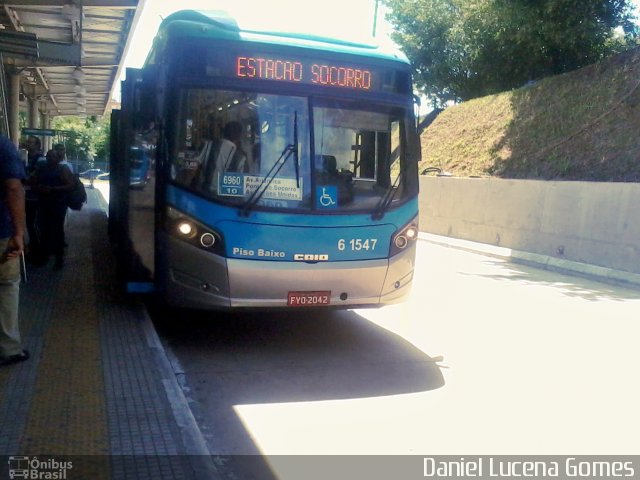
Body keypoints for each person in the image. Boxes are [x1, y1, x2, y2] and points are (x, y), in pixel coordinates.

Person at [0, 134, 29, 366]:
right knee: (6, 286)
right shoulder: (2, 145)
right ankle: (9, 348)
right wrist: (19, 233)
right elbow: (13, 188)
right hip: (0, 233)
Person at [33, 148, 74, 270]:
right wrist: (39, 187)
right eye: (48, 156)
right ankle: (45, 255)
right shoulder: (42, 169)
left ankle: (59, 259)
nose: (50, 158)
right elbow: (34, 182)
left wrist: (53, 189)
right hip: (44, 204)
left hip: (58, 205)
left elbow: (70, 185)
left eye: (53, 156)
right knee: (44, 231)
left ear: (57, 158)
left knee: (57, 232)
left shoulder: (63, 169)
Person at [200, 121, 249, 192]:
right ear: (239, 136)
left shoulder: (208, 145)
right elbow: (243, 182)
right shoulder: (241, 157)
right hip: (226, 197)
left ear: (224, 132)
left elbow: (193, 169)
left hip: (204, 194)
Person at [24, 136, 46, 263]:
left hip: (37, 198)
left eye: (30, 142)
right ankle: (34, 249)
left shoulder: (41, 160)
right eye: (27, 142)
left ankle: (39, 253)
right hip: (29, 196)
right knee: (30, 224)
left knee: (35, 224)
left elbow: (33, 177)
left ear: (37, 145)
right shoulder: (27, 158)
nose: (27, 144)